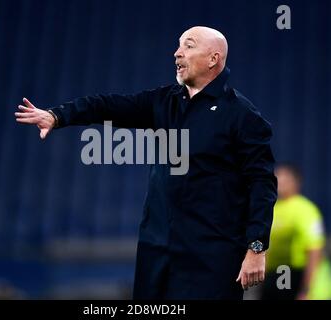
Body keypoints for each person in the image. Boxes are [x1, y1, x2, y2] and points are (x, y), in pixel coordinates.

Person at [15, 26, 277, 299]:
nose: (177, 53)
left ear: (213, 59)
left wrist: (256, 247)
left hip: (212, 257)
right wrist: (58, 116)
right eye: (178, 45)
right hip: (157, 250)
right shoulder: (164, 102)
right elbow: (108, 105)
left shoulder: (242, 116)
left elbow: (262, 185)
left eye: (188, 46)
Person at [261, 163, 331, 300]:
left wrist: (306, 289)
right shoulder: (272, 208)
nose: (277, 182)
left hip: (293, 272)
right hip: (275, 274)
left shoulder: (305, 210)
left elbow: (314, 250)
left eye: (283, 179)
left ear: (295, 182)